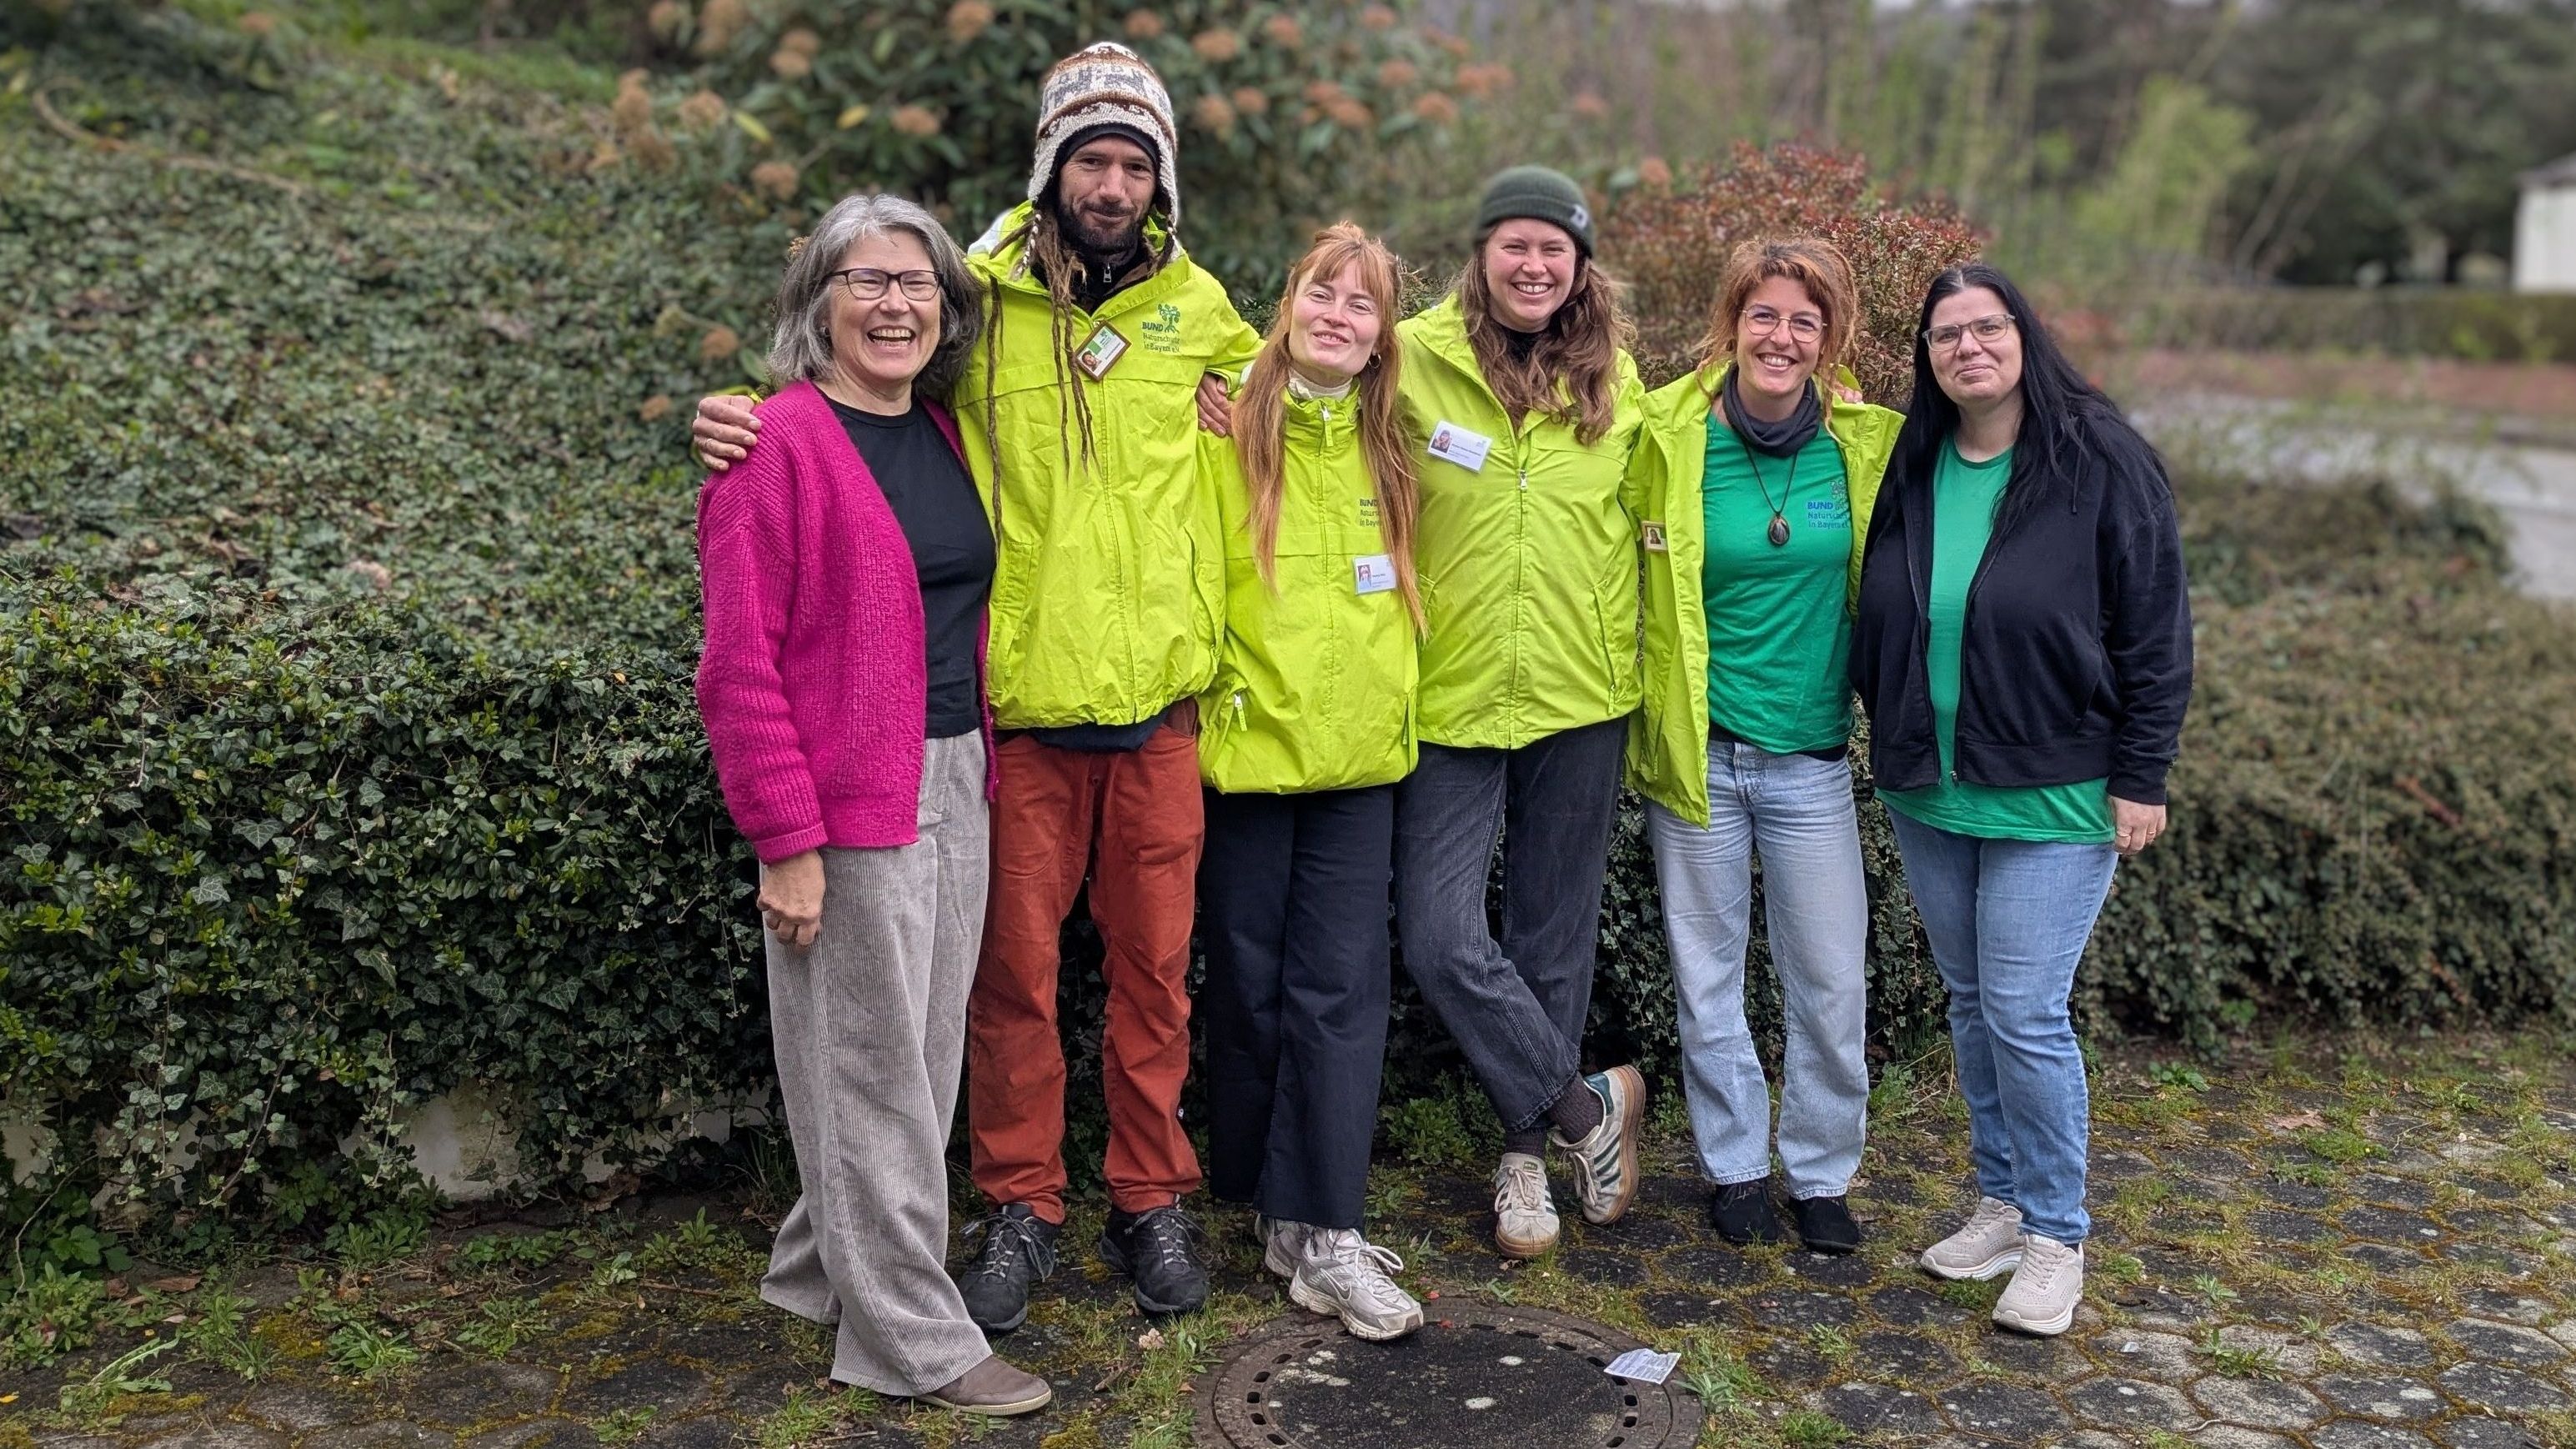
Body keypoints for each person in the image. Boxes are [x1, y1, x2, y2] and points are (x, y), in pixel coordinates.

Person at [694, 42, 1262, 1332]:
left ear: (1160, 181)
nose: (1109, 184)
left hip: (1161, 712)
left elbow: (1325, 407)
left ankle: (1147, 1196)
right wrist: (736, 414)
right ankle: (1021, 1205)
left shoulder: (1209, 316)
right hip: (1018, 723)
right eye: (1089, 159)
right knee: (1004, 980)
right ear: (1051, 168)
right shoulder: (977, 302)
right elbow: (857, 395)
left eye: (1133, 163)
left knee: (1156, 977)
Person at [694, 193, 1048, 1416]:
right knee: (872, 1069)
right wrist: (786, 842)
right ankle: (912, 1337)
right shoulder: (773, 446)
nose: (895, 304)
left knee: (915, 1060)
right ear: (818, 303)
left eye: (919, 285)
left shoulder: (942, 433)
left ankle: (815, 1267)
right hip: (850, 801)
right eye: (867, 281)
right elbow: (737, 668)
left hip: (957, 773)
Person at [1850, 263, 2192, 1336]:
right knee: (1971, 1002)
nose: (1968, 348)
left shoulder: (2098, 458)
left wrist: (2144, 771)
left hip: (2056, 789)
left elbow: (2155, 624)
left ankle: (2056, 1234)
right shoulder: (1917, 464)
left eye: (1986, 327)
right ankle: (2001, 1199)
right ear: (1930, 359)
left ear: (2022, 335)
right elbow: (1884, 609)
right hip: (1933, 785)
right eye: (1946, 336)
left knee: (2027, 1012)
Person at [1389, 167, 1651, 1258]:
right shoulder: (1407, 357)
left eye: (1555, 247)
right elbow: (1302, 408)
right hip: (1446, 691)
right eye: (1515, 245)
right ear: (1481, 251)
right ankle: (1587, 1108)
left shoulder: (1619, 381)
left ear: (1579, 263)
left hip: (1579, 695)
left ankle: (1522, 1163)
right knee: (1440, 933)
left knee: (1551, 933)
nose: (1534, 265)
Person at [1625, 238, 1901, 1256]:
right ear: (1731, 324)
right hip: (1699, 756)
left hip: (1812, 762)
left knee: (1830, 981)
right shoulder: (1666, 434)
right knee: (1708, 976)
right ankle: (1735, 1164)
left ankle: (1821, 1172)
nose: (1781, 336)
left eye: (1804, 320)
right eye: (1764, 315)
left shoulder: (1867, 446)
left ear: (1829, 339)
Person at [1197, 223, 1426, 1341]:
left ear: (1385, 335)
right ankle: (1262, 1203)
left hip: (1360, 761)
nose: (1340, 316)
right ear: (1288, 303)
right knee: (1245, 986)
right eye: (1323, 295)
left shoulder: (1394, 446)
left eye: (1364, 305)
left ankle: (1325, 1228)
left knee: (1340, 993)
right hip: (1245, 756)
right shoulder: (1221, 423)